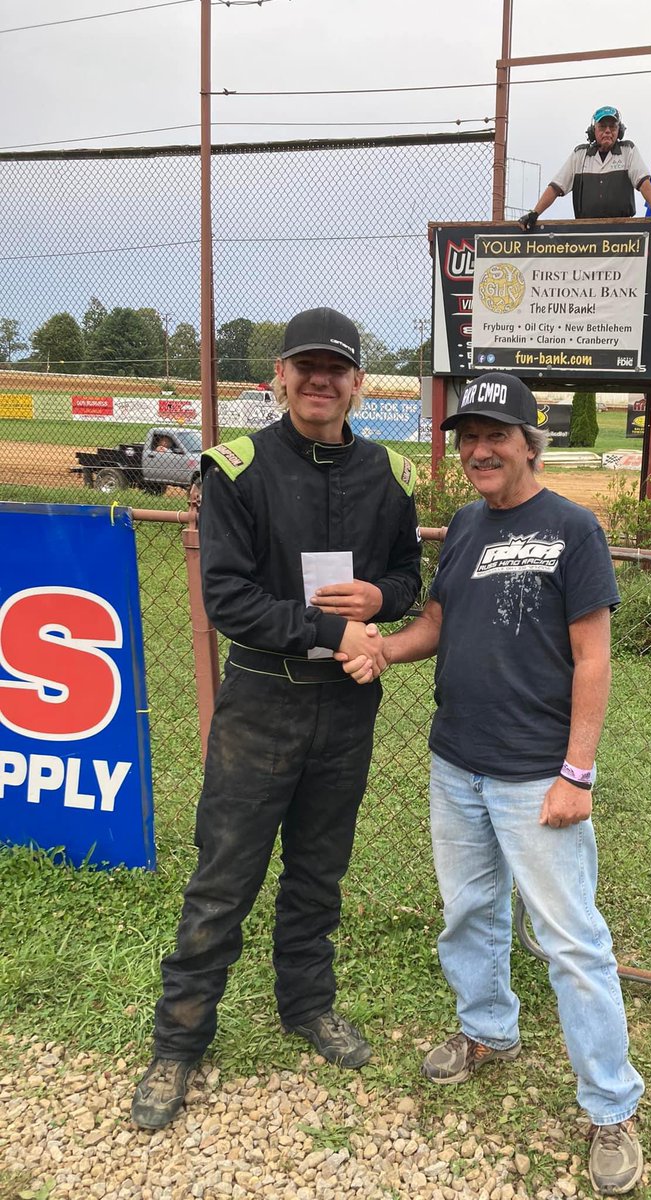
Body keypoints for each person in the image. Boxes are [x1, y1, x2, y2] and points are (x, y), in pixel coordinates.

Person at [339, 371, 645, 1195]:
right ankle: (486, 1032)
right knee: (470, 911)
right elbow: (439, 621)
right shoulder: (468, 525)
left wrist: (577, 772)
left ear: (528, 440)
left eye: (495, 434)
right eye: (467, 437)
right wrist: (379, 648)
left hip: (535, 774)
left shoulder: (574, 528)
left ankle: (611, 1105)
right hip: (457, 763)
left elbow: (594, 655)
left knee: (571, 941)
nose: (478, 449)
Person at [131, 307, 421, 1130]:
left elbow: (406, 574)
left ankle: (307, 1004)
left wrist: (379, 599)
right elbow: (227, 598)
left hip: (346, 705)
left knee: (318, 871)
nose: (321, 380)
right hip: (261, 699)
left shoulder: (389, 475)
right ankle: (178, 1042)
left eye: (337, 368)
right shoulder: (238, 467)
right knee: (224, 880)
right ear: (281, 378)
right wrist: (333, 628)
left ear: (359, 383)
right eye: (307, 366)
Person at [520, 105, 651, 229]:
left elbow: (643, 182)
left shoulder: (628, 150)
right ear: (593, 131)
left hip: (623, 230)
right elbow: (556, 187)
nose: (608, 131)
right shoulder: (580, 154)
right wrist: (534, 213)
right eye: (602, 127)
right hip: (586, 231)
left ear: (620, 131)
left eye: (612, 127)